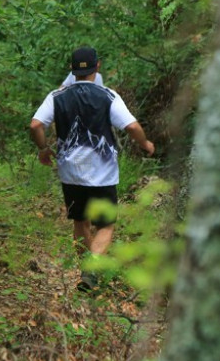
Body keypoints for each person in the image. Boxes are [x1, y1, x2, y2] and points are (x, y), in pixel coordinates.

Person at [29, 46, 154, 291]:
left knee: (80, 221)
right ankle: (92, 269)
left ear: (71, 69)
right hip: (102, 174)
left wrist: (43, 149)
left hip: (71, 172)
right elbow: (131, 126)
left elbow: (35, 125)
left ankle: (86, 271)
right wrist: (145, 143)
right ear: (98, 66)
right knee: (105, 225)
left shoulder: (57, 96)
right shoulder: (108, 96)